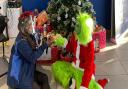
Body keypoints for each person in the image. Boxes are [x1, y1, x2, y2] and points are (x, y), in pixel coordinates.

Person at [52, 13, 108, 89]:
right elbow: (71, 48)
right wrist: (62, 41)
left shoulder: (89, 44)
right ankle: (71, 82)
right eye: (76, 24)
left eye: (78, 26)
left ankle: (99, 84)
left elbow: (89, 67)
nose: (75, 27)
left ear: (84, 28)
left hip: (84, 71)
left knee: (85, 86)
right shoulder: (75, 36)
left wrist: (84, 85)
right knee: (56, 66)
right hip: (73, 66)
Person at [7, 12, 51, 89]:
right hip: (19, 76)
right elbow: (33, 57)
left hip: (26, 69)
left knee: (44, 77)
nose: (33, 26)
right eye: (31, 24)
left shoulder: (27, 35)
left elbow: (35, 47)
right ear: (25, 27)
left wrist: (43, 41)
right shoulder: (21, 42)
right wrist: (44, 45)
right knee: (38, 87)